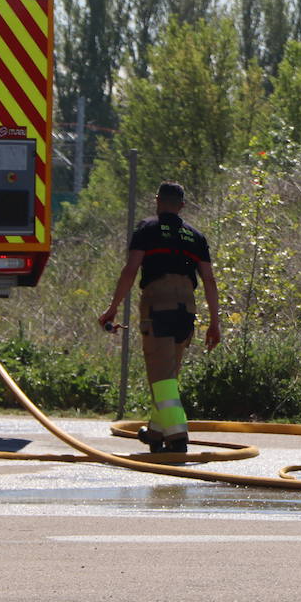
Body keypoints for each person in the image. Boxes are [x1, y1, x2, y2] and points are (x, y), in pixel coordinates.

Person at [99, 182, 221, 454]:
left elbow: (130, 270)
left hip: (159, 306)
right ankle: (156, 433)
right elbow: (209, 280)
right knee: (169, 374)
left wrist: (112, 308)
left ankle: (177, 437)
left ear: (157, 201)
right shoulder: (195, 237)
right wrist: (215, 322)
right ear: (182, 206)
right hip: (186, 310)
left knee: (162, 378)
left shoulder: (147, 228)